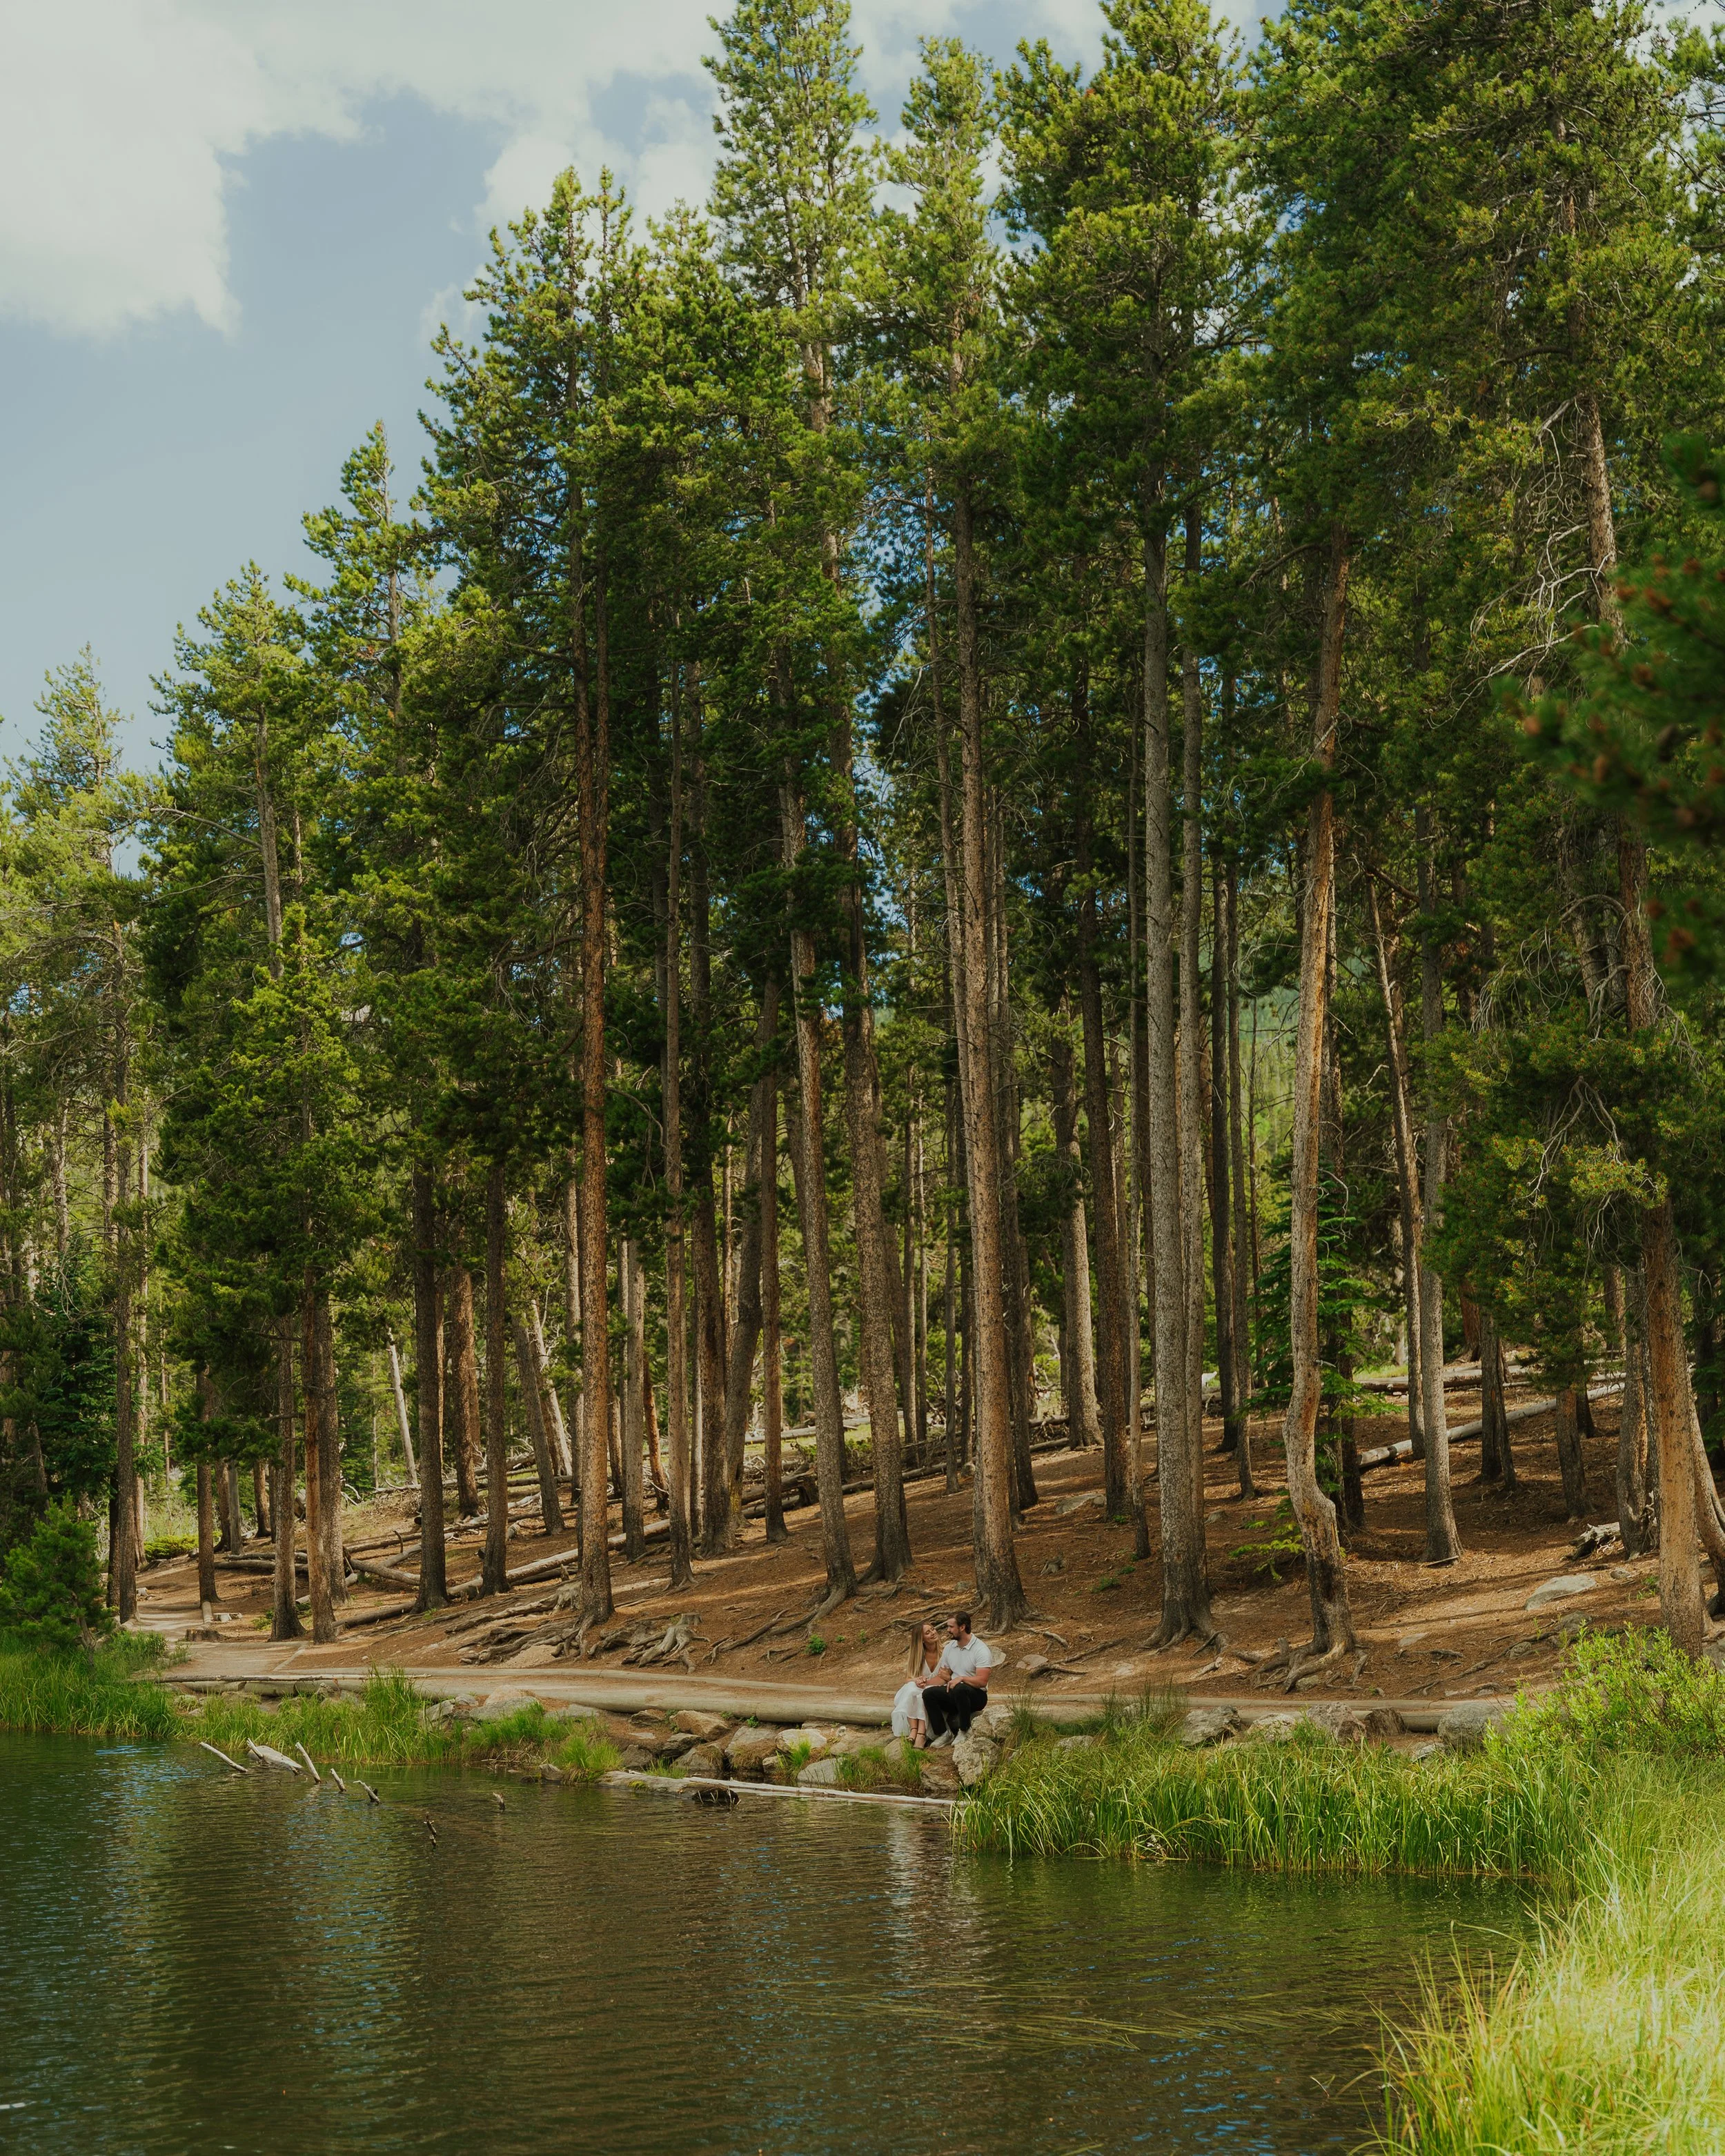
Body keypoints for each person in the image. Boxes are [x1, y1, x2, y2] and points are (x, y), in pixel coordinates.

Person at [923, 1612, 994, 1745]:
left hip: (976, 1696)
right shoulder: (950, 1647)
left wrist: (961, 1678)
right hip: (955, 1693)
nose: (948, 1630)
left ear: (962, 1627)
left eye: (951, 1627)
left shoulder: (980, 1649)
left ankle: (964, 1730)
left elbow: (982, 1681)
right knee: (929, 1693)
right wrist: (925, 1683)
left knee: (960, 1688)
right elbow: (944, 1676)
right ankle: (944, 1733)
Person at [891, 1621, 945, 1748]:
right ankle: (913, 1729)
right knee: (911, 1689)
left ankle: (921, 1734)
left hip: (936, 1688)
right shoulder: (918, 1655)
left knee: (923, 1695)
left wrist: (928, 1683)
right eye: (928, 1632)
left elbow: (945, 1678)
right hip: (918, 1688)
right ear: (922, 1639)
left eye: (932, 1629)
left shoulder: (945, 1652)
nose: (933, 1633)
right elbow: (908, 1679)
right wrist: (917, 1680)